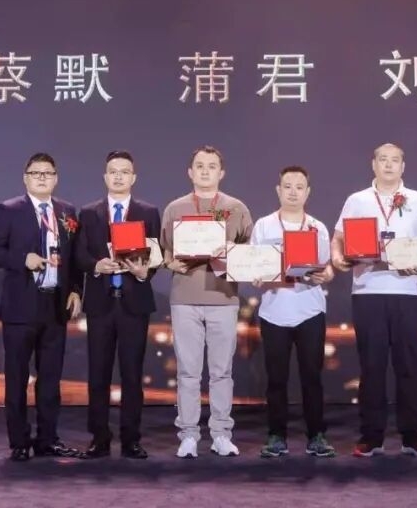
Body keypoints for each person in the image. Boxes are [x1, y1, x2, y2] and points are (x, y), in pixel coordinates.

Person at [330, 143, 417, 458]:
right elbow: (339, 238)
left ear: (403, 166)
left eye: (395, 160)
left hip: (408, 292)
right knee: (371, 367)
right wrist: (337, 258)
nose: (389, 165)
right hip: (368, 291)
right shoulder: (357, 200)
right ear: (373, 164)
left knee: (409, 366)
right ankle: (371, 436)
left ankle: (413, 436)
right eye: (383, 159)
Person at [0, 152, 83, 461]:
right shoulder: (10, 210)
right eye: (35, 173)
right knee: (17, 379)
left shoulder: (67, 211)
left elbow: (74, 258)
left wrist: (76, 290)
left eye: (47, 173)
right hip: (20, 308)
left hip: (55, 306)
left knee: (50, 380)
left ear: (56, 178)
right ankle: (20, 442)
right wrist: (22, 259)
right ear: (25, 178)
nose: (41, 178)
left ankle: (48, 439)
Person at [160, 145, 253, 458]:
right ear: (190, 172)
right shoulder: (175, 208)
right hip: (185, 299)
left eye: (211, 166)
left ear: (221, 172)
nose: (205, 171)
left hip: (223, 298)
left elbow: (249, 251)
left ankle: (221, 434)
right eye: (199, 165)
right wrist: (170, 262)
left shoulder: (236, 208)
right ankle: (188, 434)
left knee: (221, 372)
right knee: (187, 372)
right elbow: (165, 250)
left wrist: (231, 253)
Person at [75, 150, 161, 460]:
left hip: (134, 304)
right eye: (113, 171)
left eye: (125, 171)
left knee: (132, 375)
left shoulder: (148, 212)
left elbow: (156, 254)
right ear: (105, 176)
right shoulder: (89, 213)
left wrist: (144, 273)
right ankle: (99, 438)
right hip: (100, 304)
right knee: (98, 374)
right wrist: (96, 265)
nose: (119, 176)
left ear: (133, 177)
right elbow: (79, 255)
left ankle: (131, 440)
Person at [250, 166, 336, 458]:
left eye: (300, 187)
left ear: (308, 192)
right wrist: (256, 276)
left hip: (310, 311)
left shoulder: (317, 227)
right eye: (287, 186)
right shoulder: (264, 226)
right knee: (276, 379)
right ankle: (276, 436)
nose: (293, 192)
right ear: (278, 190)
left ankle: (317, 435)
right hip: (274, 312)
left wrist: (326, 275)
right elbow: (254, 265)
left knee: (312, 377)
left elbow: (326, 268)